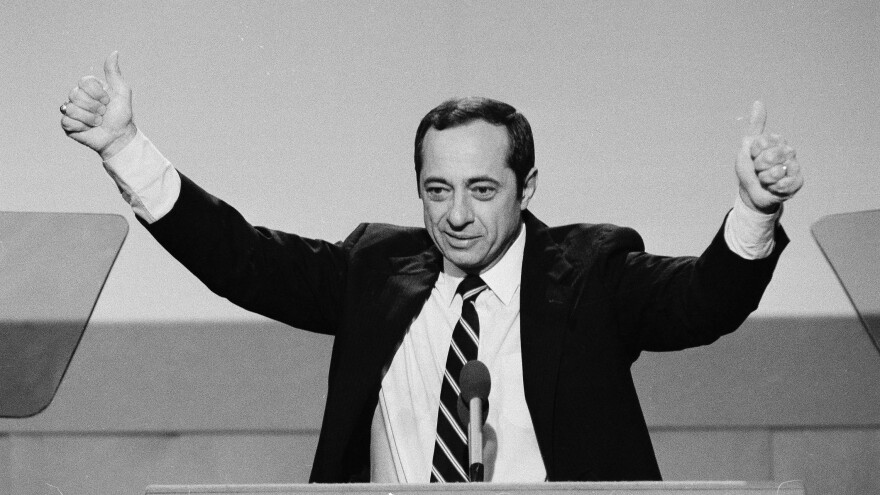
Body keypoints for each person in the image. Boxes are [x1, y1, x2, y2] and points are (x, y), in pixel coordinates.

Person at [60, 52, 803, 483]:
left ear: (527, 187)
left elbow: (702, 301)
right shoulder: (375, 269)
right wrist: (126, 147)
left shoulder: (592, 271)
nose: (456, 215)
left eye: (482, 190)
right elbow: (243, 258)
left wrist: (755, 210)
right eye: (437, 189)